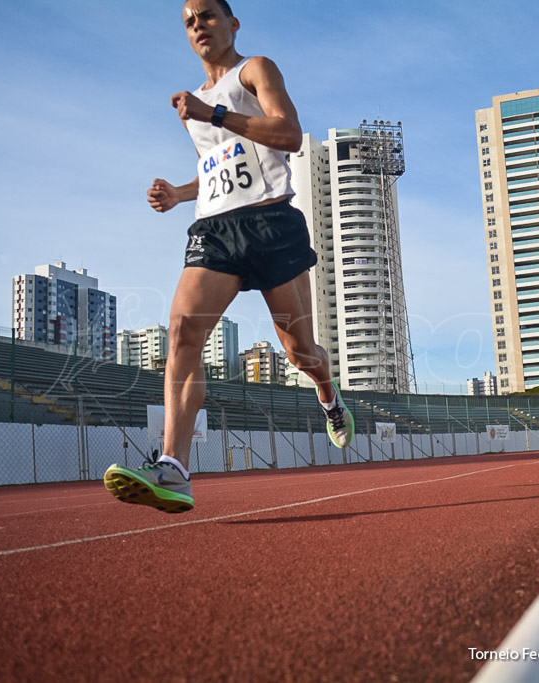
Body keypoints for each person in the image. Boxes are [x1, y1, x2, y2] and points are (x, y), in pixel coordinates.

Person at [104, 0, 353, 514]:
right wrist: (180, 192)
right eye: (189, 21)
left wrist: (214, 112)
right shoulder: (191, 105)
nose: (199, 25)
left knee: (299, 352)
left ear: (232, 23)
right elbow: (220, 162)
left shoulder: (255, 69)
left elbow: (286, 136)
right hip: (216, 230)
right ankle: (174, 467)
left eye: (208, 15)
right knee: (181, 332)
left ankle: (328, 395)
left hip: (272, 226)